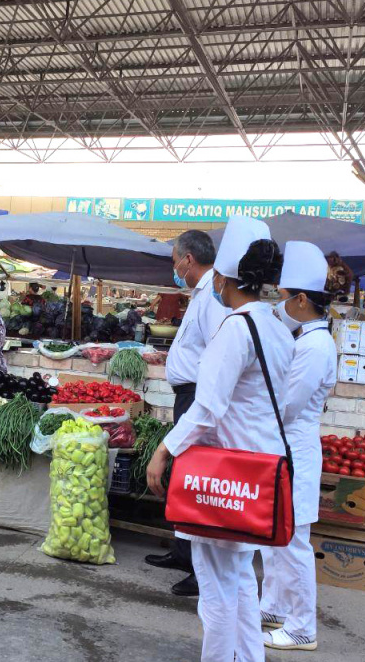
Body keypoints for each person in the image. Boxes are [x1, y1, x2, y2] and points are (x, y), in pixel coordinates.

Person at [146, 215, 291, 662]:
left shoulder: (236, 329)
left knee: (215, 588)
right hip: (256, 470)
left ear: (224, 277)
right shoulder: (275, 327)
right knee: (241, 579)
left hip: (227, 471)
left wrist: (163, 449)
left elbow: (207, 410)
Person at [259, 242, 346, 652]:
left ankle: (301, 628)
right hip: (285, 448)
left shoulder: (314, 346)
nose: (278, 306)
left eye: (282, 298)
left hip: (295, 448)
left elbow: (288, 404)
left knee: (293, 541)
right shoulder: (305, 338)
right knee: (277, 534)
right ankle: (274, 608)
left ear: (301, 300)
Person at [145, 230, 227, 597]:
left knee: (194, 476)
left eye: (174, 259)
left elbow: (217, 351)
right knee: (183, 475)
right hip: (187, 394)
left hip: (197, 396)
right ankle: (181, 551)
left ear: (188, 259)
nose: (174, 267)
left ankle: (199, 568)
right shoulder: (199, 293)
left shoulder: (212, 295)